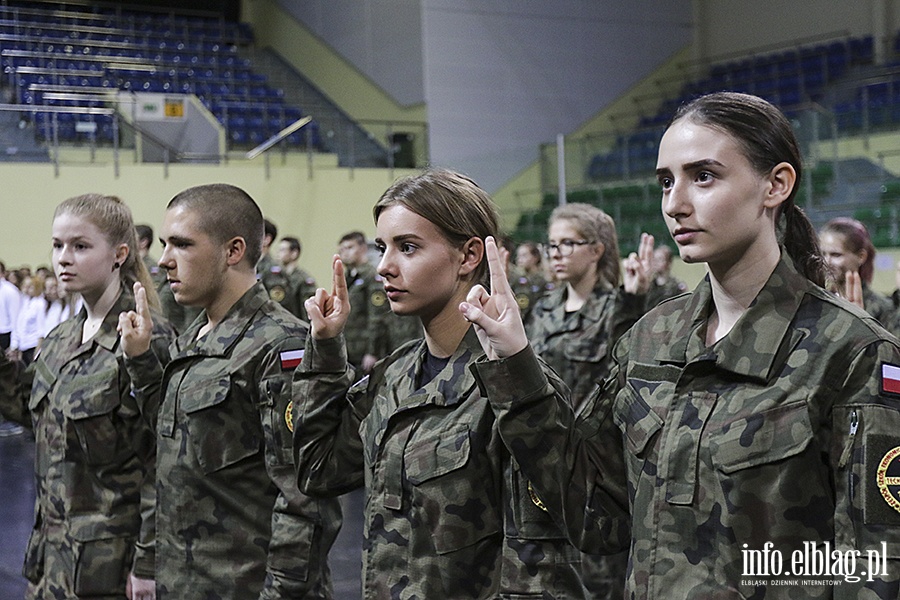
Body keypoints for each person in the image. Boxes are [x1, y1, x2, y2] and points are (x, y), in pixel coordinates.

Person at [461, 92, 900, 598]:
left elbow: (875, 569)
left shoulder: (852, 353)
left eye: (704, 176)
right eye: (667, 181)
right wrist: (517, 364)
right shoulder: (651, 340)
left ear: (775, 184)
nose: (675, 203)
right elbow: (593, 514)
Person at [293, 168, 588, 598]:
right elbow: (318, 471)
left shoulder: (515, 388)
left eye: (407, 248)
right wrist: (324, 349)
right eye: (382, 247)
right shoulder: (392, 378)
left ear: (468, 257)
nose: (383, 267)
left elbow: (539, 570)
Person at [119, 183, 340, 599]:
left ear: (233, 250)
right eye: (165, 244)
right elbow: (177, 440)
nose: (164, 260)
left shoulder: (282, 346)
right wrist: (142, 360)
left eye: (181, 244)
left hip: (247, 586)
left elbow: (305, 499)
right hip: (187, 580)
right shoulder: (195, 338)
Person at [0, 193, 175, 599]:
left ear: (119, 254)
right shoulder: (63, 337)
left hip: (113, 563)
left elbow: (164, 460)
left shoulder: (146, 339)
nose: (63, 257)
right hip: (54, 553)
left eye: (80, 246)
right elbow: (34, 416)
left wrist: (147, 563)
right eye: (58, 245)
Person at [524, 203, 650, 597]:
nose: (556, 253)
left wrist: (634, 301)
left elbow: (626, 371)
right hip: (544, 462)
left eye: (567, 244)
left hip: (595, 470)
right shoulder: (542, 310)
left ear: (596, 250)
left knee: (599, 581)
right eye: (551, 245)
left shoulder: (617, 307)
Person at [819, 217, 894, 323]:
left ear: (861, 256)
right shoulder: (817, 303)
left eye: (836, 255)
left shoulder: (883, 309)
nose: (826, 262)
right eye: (823, 254)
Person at [337, 230, 390, 372]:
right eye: (341, 250)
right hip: (348, 350)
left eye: (349, 248)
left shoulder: (372, 277)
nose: (344, 253)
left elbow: (377, 317)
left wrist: (372, 352)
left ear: (363, 248)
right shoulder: (347, 278)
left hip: (364, 352)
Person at [260, 235, 318, 322]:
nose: (278, 253)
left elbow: (307, 311)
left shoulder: (303, 280)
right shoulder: (273, 275)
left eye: (282, 250)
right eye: (278, 249)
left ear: (294, 253)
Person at [9, 274, 46, 365]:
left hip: (33, 345)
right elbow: (19, 325)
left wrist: (37, 351)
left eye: (30, 287)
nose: (26, 289)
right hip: (23, 346)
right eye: (25, 286)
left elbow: (41, 330)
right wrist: (15, 345)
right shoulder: (24, 302)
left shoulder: (40, 304)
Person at [512, 240, 552, 319]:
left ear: (535, 257)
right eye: (518, 256)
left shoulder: (543, 280)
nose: (520, 259)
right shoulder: (516, 279)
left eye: (524, 255)